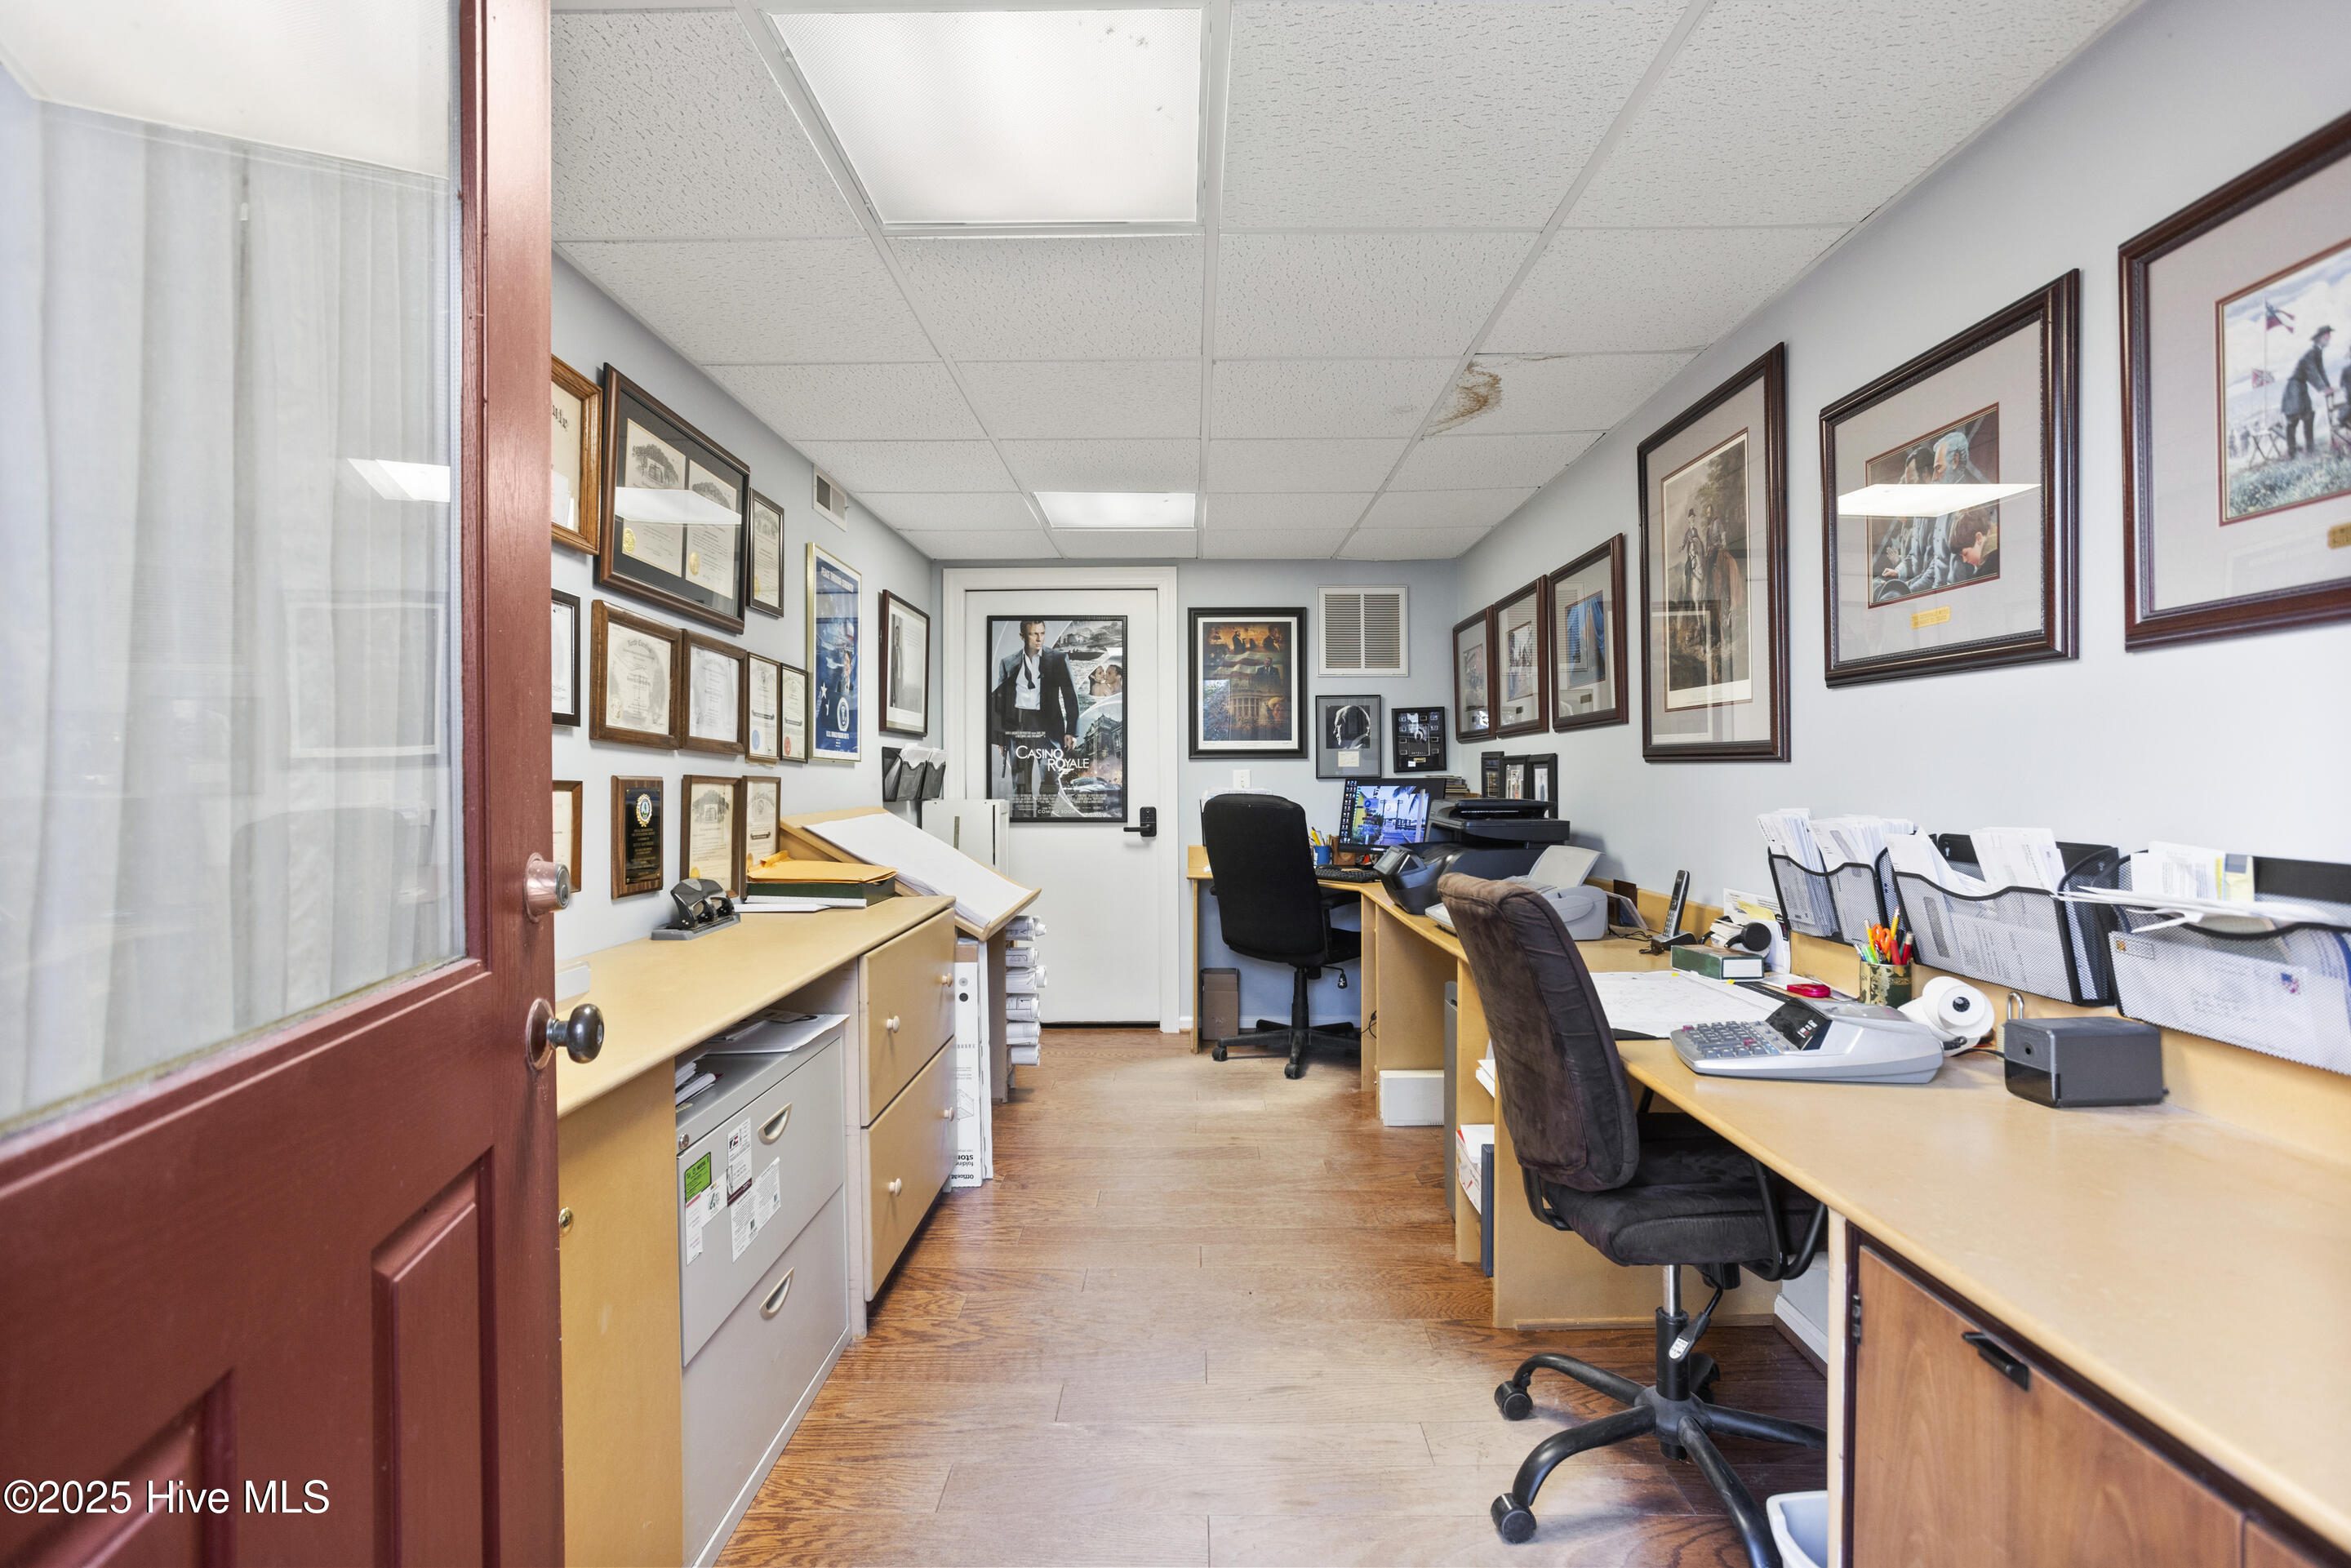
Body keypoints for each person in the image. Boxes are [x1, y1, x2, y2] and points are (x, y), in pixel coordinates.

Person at [990, 620, 1080, 808]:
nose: (1039, 639)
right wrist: (1000, 737)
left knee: (1050, 779)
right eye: (1033, 634)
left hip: (1049, 730)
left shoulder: (1058, 659)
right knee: (1020, 785)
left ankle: (1044, 816)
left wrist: (1072, 730)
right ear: (1023, 636)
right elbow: (1001, 703)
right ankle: (1023, 822)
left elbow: (1070, 695)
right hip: (1018, 730)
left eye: (1042, 633)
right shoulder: (1008, 663)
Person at [2281, 324, 2332, 457]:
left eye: (2329, 335)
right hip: (2294, 388)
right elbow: (2313, 372)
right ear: (2320, 338)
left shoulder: (2318, 352)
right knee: (2293, 420)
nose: (2329, 337)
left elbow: (2321, 371)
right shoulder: (2311, 353)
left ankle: (2310, 450)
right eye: (2327, 335)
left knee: (2309, 416)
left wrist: (2328, 387)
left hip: (2301, 387)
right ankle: (2292, 453)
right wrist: (2323, 389)